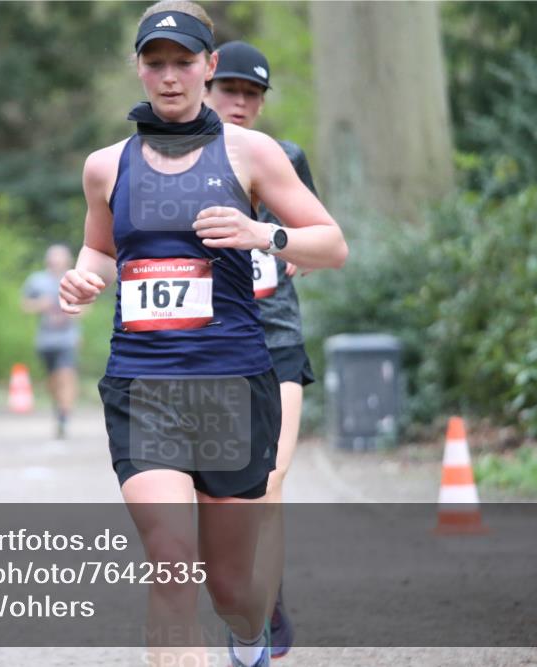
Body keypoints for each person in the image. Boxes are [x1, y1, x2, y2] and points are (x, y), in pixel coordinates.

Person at [58, 3, 346, 665]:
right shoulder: (105, 166)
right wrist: (84, 279)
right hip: (144, 385)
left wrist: (261, 233)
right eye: (154, 62)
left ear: (207, 66)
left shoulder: (252, 153)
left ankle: (249, 636)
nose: (169, 76)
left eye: (183, 62)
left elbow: (331, 244)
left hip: (232, 386)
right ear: (137, 67)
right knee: (170, 564)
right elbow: (100, 251)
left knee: (232, 589)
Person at [205, 40, 318, 660]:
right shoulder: (169, 161)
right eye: (231, 90)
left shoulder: (285, 157)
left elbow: (317, 235)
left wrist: (288, 244)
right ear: (206, 86)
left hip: (276, 338)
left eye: (253, 94)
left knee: (270, 481)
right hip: (205, 347)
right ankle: (242, 591)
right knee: (221, 497)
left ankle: (262, 613)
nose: (241, 103)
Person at [22, 244, 80, 439]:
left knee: (66, 375)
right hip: (45, 340)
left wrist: (72, 311)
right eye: (53, 257)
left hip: (68, 339)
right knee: (53, 380)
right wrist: (40, 304)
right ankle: (59, 408)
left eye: (60, 257)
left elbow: (86, 306)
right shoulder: (37, 280)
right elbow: (25, 305)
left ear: (68, 260)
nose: (56, 261)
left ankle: (64, 416)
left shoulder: (75, 279)